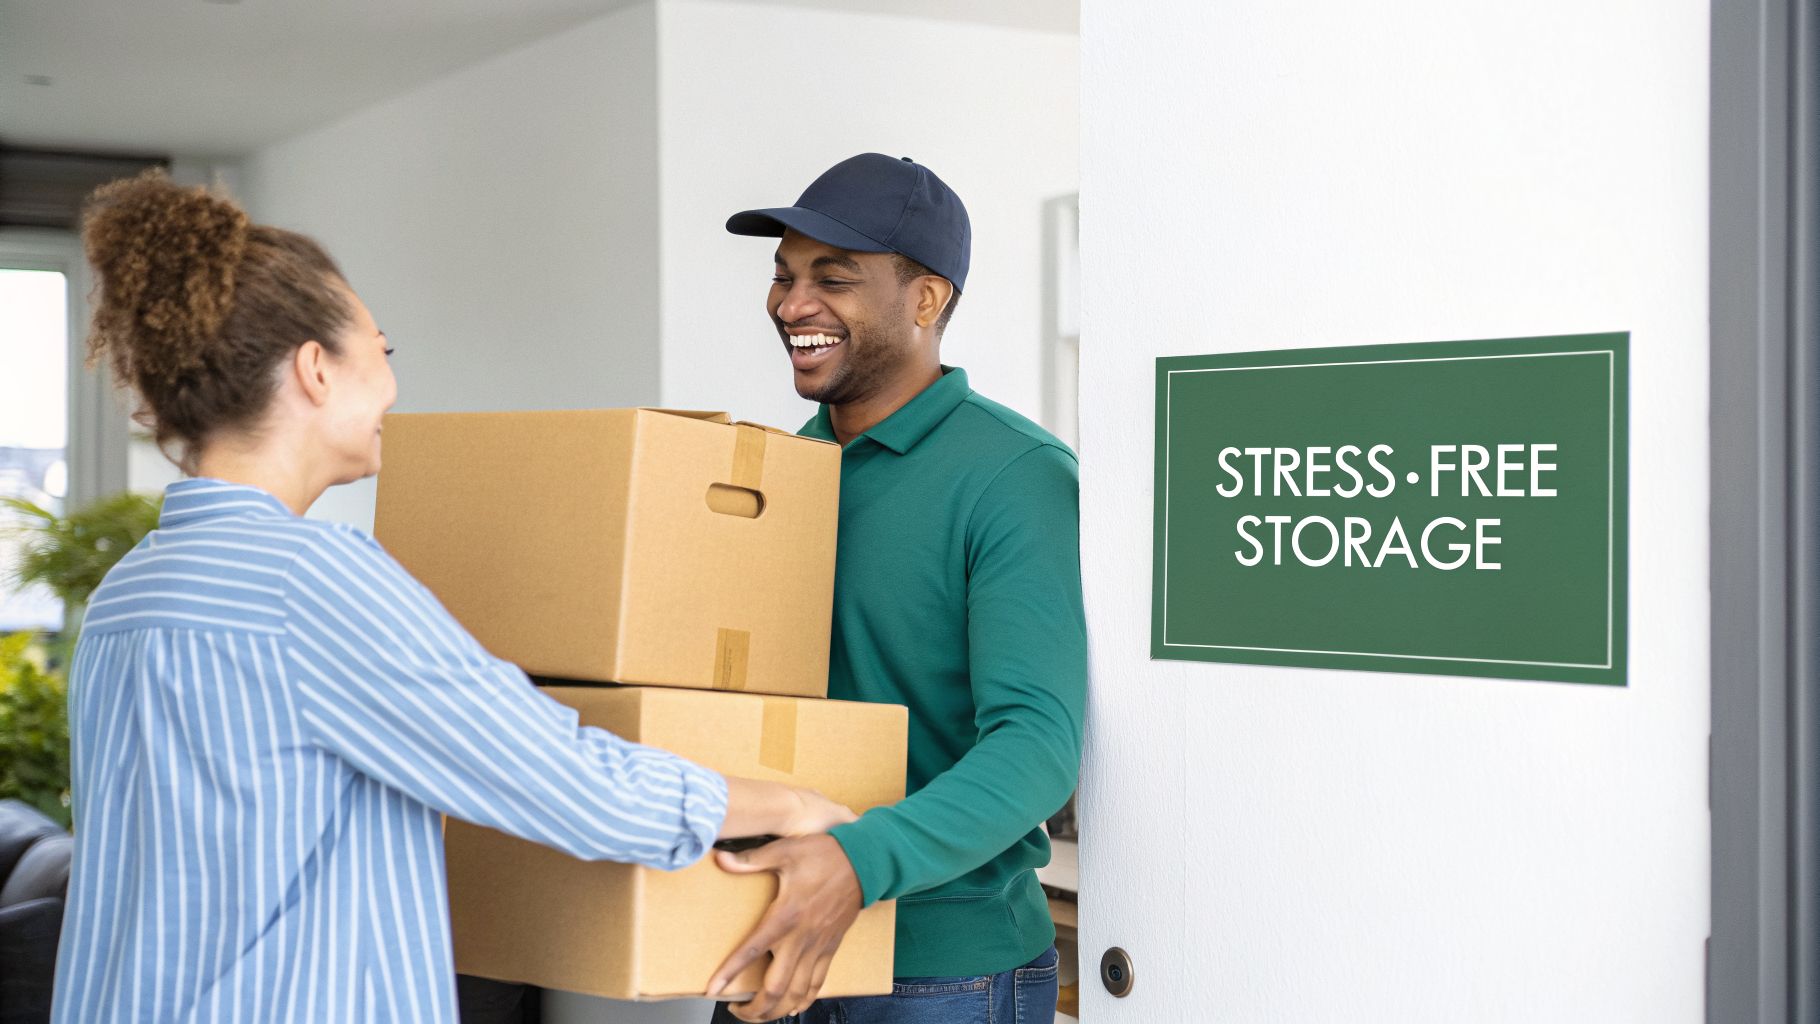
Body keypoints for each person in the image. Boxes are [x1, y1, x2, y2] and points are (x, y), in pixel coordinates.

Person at [50, 171, 854, 1023]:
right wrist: (799, 803)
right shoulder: (312, 584)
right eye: (381, 352)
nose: (392, 387)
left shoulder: (126, 592)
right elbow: (571, 783)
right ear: (316, 370)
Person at [706, 154, 1087, 1023]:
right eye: (783, 275)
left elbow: (1037, 745)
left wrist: (858, 861)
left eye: (832, 279)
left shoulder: (1016, 476)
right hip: (772, 937)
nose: (792, 304)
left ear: (926, 300)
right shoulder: (772, 478)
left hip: (940, 976)